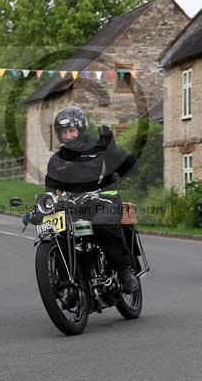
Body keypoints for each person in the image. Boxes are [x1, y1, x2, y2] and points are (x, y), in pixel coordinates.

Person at [25, 106, 140, 293]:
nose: (68, 136)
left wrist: (113, 149)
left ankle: (125, 271)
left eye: (71, 131)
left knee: (101, 224)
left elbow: (131, 169)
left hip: (105, 201)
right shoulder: (57, 160)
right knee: (59, 232)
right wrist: (41, 208)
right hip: (75, 206)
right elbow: (51, 191)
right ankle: (69, 283)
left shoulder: (100, 148)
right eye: (64, 132)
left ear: (81, 129)